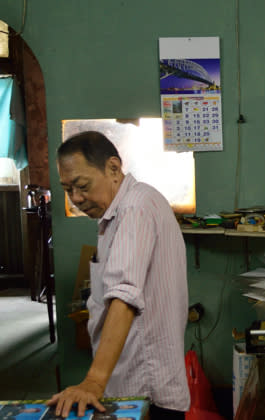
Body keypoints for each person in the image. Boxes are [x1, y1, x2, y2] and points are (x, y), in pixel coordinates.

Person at [47, 131, 189, 420]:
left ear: (113, 168)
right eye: (67, 189)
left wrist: (93, 382)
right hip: (131, 382)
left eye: (82, 185)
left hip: (146, 389)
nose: (75, 198)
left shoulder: (135, 208)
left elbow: (124, 296)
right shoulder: (118, 213)